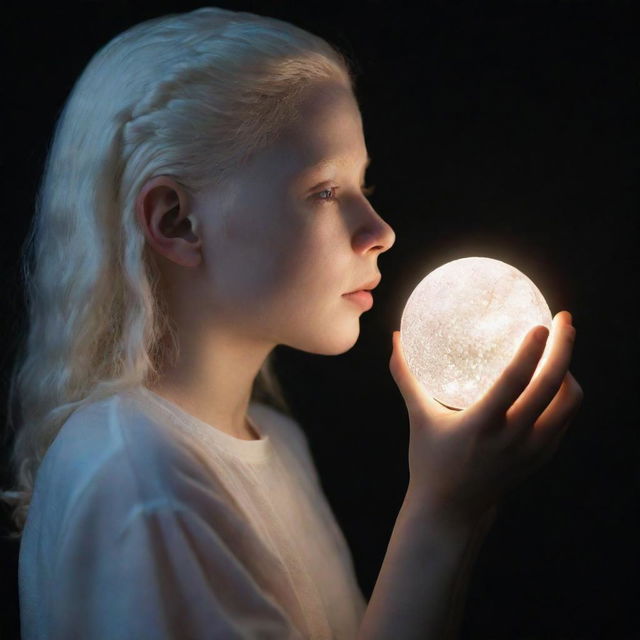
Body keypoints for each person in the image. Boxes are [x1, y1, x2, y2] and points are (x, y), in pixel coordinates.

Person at [0, 6, 584, 640]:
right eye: (325, 191)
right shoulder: (143, 483)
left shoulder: (274, 442)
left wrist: (455, 506)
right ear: (176, 221)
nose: (380, 231)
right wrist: (445, 511)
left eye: (363, 184)